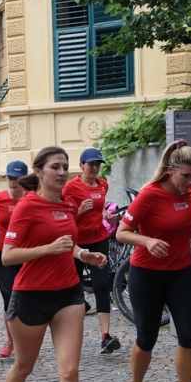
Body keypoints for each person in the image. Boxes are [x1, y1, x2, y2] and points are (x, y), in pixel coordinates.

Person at [0, 147, 107, 382]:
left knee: (69, 371)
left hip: (68, 294)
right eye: (55, 167)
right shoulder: (27, 206)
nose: (61, 172)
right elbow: (8, 256)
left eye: (65, 167)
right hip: (30, 296)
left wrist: (83, 254)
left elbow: (68, 243)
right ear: (39, 172)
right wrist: (47, 249)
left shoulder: (68, 206)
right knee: (23, 368)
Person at [116, 139, 191, 382]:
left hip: (183, 272)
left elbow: (181, 224)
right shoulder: (149, 195)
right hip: (148, 274)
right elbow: (122, 232)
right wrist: (147, 240)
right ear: (171, 170)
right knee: (147, 338)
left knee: (190, 336)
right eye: (186, 176)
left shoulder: (190, 193)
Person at [62, 148, 122, 354]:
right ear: (81, 166)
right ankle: (70, 336)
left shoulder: (103, 185)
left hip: (98, 240)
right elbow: (63, 216)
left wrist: (107, 216)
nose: (95, 168)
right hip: (77, 244)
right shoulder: (70, 187)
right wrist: (79, 212)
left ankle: (105, 336)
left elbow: (101, 208)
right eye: (91, 164)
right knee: (74, 286)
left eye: (98, 164)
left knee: (100, 284)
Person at [0, 160, 28, 358]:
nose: (12, 182)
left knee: (27, 299)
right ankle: (12, 340)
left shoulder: (32, 199)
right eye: (10, 178)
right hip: (5, 256)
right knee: (9, 298)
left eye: (16, 178)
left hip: (28, 255)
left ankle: (27, 339)